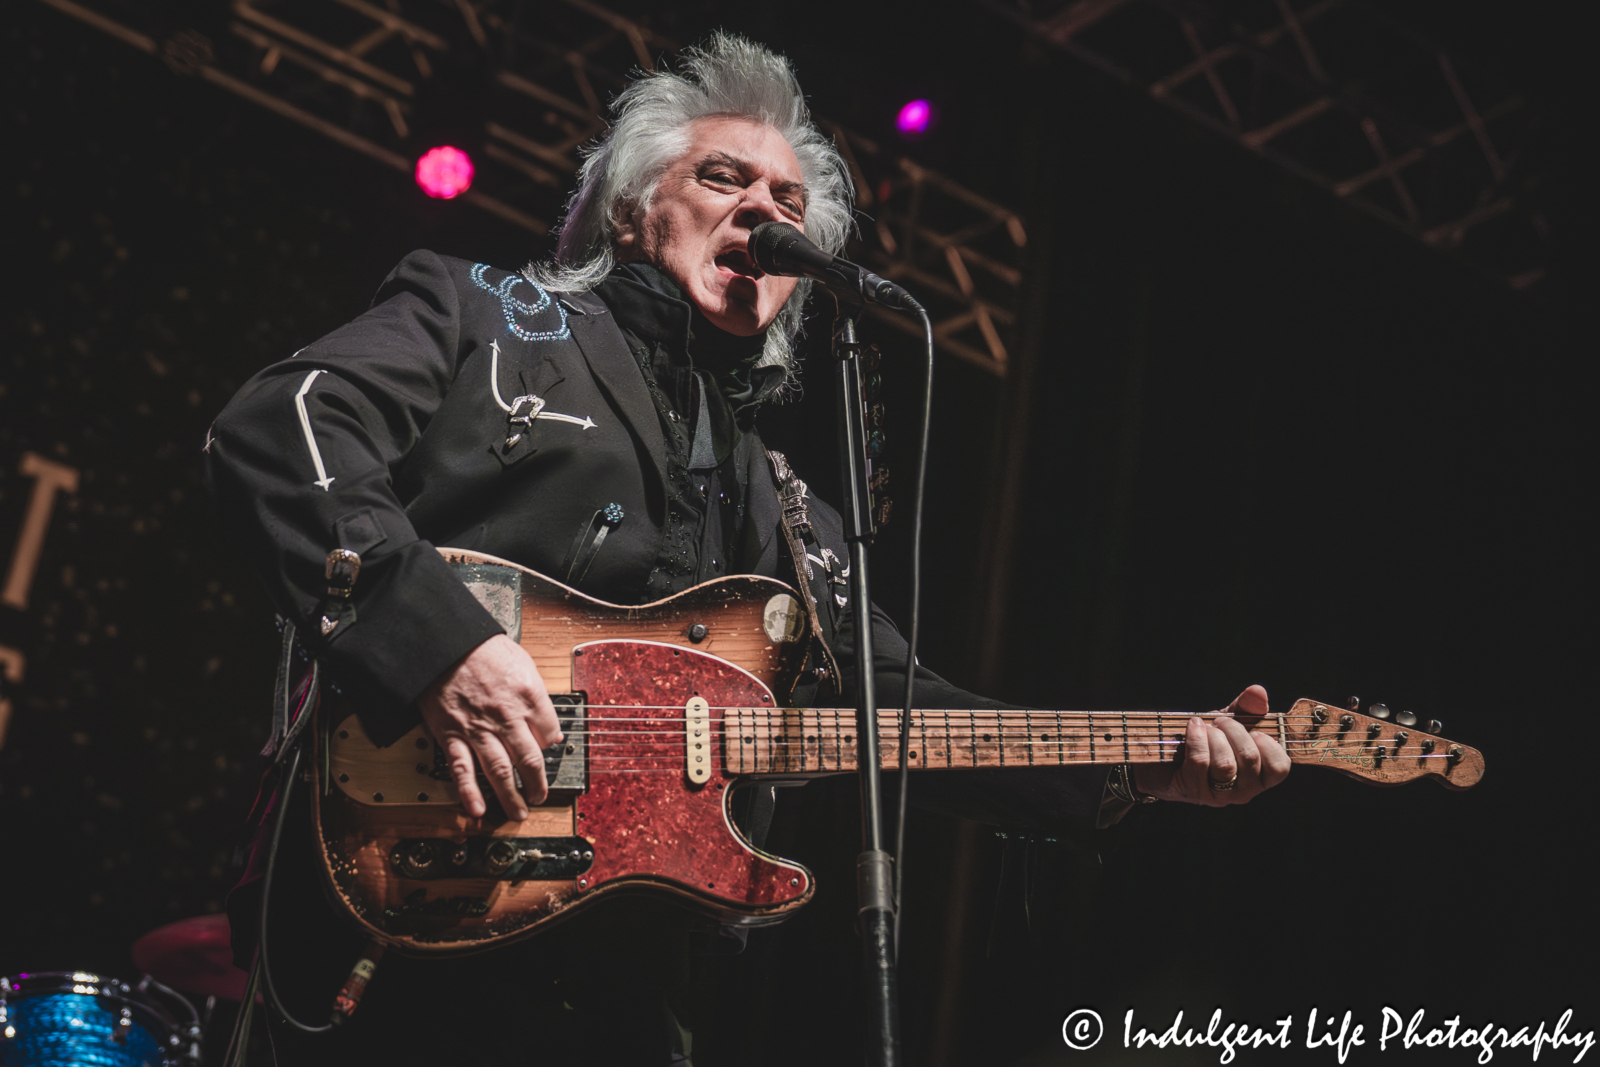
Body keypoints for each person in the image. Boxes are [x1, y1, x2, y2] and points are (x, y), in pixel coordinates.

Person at [207, 33, 1290, 1065]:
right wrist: (436, 645)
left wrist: (1137, 762)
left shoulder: (787, 505)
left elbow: (897, 708)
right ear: (635, 209)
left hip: (624, 989)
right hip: (399, 913)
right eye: (726, 179)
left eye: (789, 202)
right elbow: (278, 426)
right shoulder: (481, 310)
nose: (764, 212)